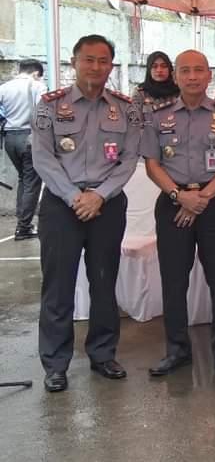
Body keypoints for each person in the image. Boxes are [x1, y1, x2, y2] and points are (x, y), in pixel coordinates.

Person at [32, 35, 142, 393]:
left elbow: (129, 159)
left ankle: (103, 354)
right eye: (88, 60)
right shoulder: (50, 105)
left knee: (104, 282)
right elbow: (43, 158)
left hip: (106, 205)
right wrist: (73, 196)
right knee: (58, 286)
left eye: (103, 60)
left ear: (111, 65)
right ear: (74, 62)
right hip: (61, 205)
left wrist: (99, 195)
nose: (96, 67)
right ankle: (55, 364)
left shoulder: (125, 109)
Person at [141, 50, 215, 377]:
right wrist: (180, 196)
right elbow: (152, 165)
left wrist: (201, 198)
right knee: (173, 280)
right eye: (185, 71)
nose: (193, 76)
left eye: (199, 70)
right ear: (175, 75)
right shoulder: (157, 116)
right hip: (173, 203)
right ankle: (177, 350)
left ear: (209, 75)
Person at [0, 59, 46, 240]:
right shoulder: (37, 86)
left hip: (9, 139)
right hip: (29, 137)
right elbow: (43, 112)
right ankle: (24, 227)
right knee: (32, 182)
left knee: (24, 179)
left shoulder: (4, 88)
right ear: (36, 73)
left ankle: (22, 222)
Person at [132, 51, 180, 116]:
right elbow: (135, 119)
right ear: (149, 70)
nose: (159, 70)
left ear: (170, 68)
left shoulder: (179, 90)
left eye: (164, 66)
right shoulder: (140, 93)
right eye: (154, 66)